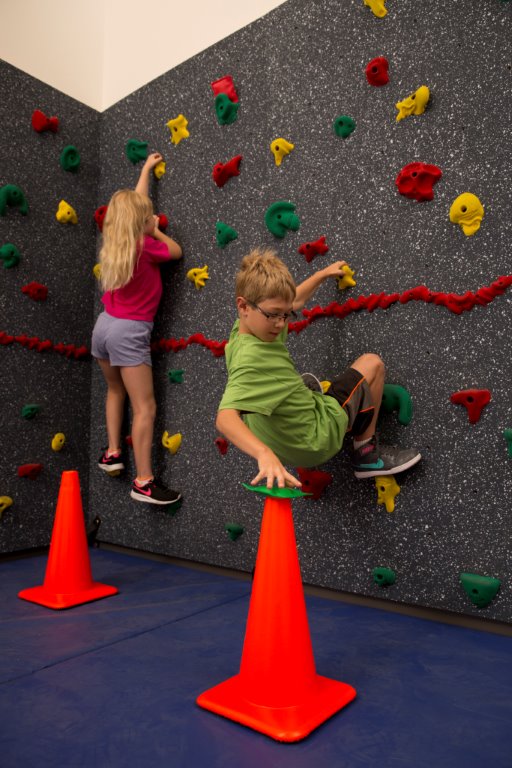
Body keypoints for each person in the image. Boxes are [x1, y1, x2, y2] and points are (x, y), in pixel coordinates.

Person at [216, 248, 421, 489]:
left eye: (285, 315)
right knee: (372, 364)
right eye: (273, 315)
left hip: (284, 446)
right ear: (243, 306)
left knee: (303, 382)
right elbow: (225, 419)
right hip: (315, 440)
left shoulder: (245, 330)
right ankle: (366, 453)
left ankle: (319, 403)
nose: (281, 323)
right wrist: (263, 455)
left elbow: (295, 301)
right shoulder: (252, 361)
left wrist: (322, 274)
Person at [91, 152, 183, 505]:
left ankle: (113, 453)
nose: (153, 217)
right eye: (148, 217)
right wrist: (158, 228)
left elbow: (135, 204)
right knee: (145, 407)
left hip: (104, 328)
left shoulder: (116, 241)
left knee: (116, 392)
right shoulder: (148, 246)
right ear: (141, 224)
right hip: (130, 332)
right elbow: (177, 251)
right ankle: (144, 481)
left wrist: (146, 170)